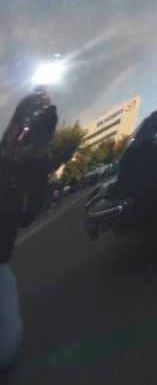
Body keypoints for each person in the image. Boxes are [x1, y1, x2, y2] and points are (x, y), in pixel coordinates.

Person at [0, 88, 58, 369]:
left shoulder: (32, 170)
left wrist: (34, 172)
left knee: (5, 351)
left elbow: (26, 218)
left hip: (0, 263)